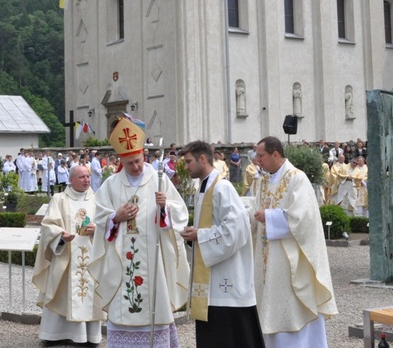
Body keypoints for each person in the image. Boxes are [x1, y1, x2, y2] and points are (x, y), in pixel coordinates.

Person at [90, 117, 190, 348]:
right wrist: (116, 217)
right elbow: (101, 217)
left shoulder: (159, 180)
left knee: (155, 303)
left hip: (154, 258)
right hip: (121, 260)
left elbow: (180, 214)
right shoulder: (111, 185)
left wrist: (165, 207)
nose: (135, 167)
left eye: (138, 161)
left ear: (144, 155)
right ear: (120, 161)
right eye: (130, 163)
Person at [251, 137, 338, 347]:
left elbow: (304, 217)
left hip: (291, 261)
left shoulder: (297, 179)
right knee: (269, 309)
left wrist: (270, 217)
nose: (257, 160)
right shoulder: (262, 182)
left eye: (261, 156)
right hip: (267, 261)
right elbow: (252, 212)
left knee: (292, 308)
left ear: (275, 154)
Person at [178, 141, 264, 348]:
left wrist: (201, 235)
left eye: (188, 161)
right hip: (213, 283)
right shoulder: (205, 187)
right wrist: (194, 235)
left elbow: (237, 229)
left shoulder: (222, 187)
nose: (186, 167)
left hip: (227, 283)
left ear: (202, 159)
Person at [32, 165, 105, 346]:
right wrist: (60, 235)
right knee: (60, 293)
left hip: (92, 256)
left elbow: (107, 223)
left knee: (90, 294)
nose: (87, 180)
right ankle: (54, 334)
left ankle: (89, 337)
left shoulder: (98, 199)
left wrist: (97, 228)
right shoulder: (59, 199)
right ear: (71, 179)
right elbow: (48, 224)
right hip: (66, 255)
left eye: (88, 176)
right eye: (82, 177)